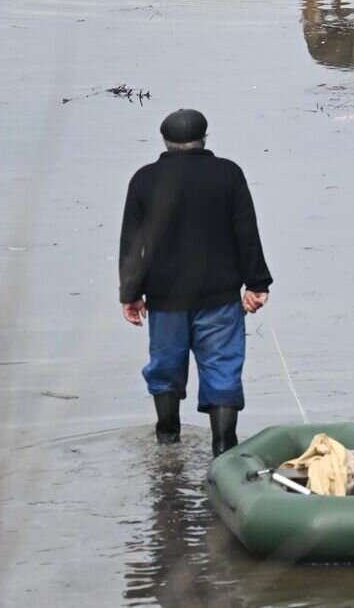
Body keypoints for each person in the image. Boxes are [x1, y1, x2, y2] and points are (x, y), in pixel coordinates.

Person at [119, 109, 272, 456]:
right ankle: (223, 450)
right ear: (205, 138)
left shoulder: (144, 180)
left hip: (165, 301)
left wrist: (130, 293)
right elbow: (246, 232)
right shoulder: (228, 174)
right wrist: (256, 283)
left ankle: (167, 444)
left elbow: (133, 244)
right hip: (220, 300)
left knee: (165, 370)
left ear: (165, 142)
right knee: (222, 371)